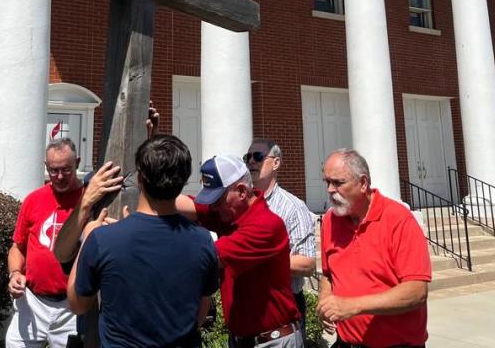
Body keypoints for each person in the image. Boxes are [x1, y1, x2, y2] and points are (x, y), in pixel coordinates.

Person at [66, 135, 219, 347]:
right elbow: (199, 315)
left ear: (140, 178)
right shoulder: (203, 241)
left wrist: (88, 236)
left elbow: (77, 303)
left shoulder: (103, 240)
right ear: (184, 181)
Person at [5, 137, 123, 348]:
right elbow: (17, 247)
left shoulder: (91, 198)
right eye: (53, 170)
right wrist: (15, 273)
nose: (59, 176)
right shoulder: (33, 199)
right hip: (32, 302)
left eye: (66, 170)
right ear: (46, 167)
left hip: (71, 305)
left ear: (77, 162)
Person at [177, 153, 303, 348]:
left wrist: (133, 243)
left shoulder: (265, 226)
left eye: (217, 200)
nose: (213, 207)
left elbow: (202, 258)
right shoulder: (228, 213)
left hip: (273, 342)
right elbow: (178, 204)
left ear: (242, 191)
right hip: (243, 339)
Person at [317, 149, 431, 348]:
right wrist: (326, 300)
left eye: (338, 183)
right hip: (346, 343)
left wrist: (353, 306)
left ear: (363, 183)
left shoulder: (398, 219)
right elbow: (328, 274)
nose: (330, 190)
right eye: (327, 182)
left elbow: (416, 291)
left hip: (396, 344)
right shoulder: (330, 220)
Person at [245, 139, 316, 326]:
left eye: (258, 156)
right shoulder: (241, 203)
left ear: (276, 163)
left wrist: (257, 259)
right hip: (246, 307)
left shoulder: (293, 208)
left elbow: (307, 264)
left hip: (281, 309)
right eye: (248, 157)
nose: (251, 161)